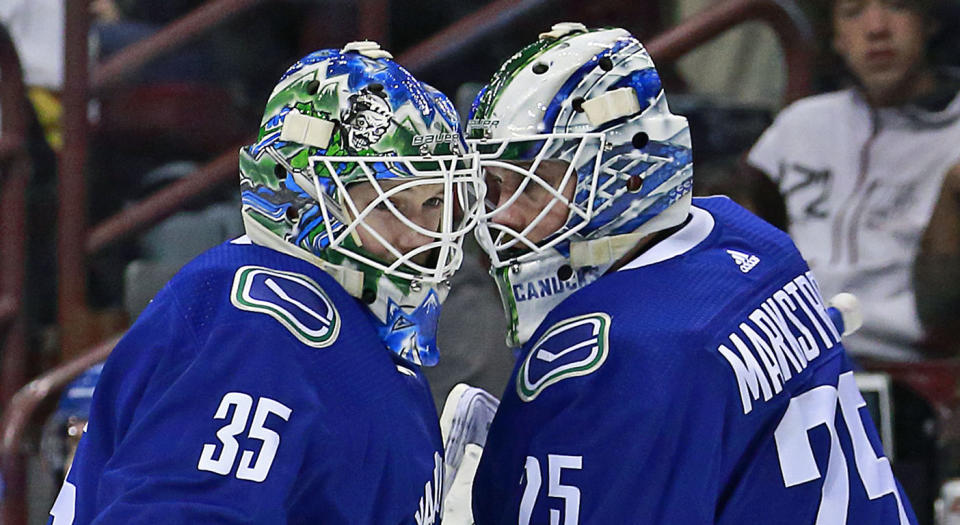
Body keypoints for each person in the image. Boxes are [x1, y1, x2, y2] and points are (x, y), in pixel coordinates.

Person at [462, 23, 917, 524]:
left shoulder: (626, 355)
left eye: (532, 186)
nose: (499, 216)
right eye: (493, 185)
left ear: (627, 175)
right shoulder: (748, 238)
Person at [47, 41, 482, 523]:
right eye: (386, 204)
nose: (419, 236)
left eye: (434, 204)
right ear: (300, 195)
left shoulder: (363, 332)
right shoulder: (259, 324)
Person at [747, 0, 960, 361]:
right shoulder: (801, 124)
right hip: (793, 360)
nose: (876, 28)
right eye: (853, 12)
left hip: (916, 367)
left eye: (897, 6)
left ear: (929, 21)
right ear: (836, 38)